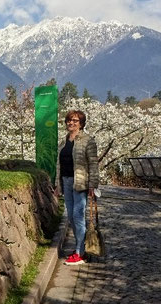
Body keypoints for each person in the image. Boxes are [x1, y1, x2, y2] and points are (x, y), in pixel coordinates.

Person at [56, 110, 99, 265]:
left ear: (81, 123)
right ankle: (79, 247)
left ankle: (80, 253)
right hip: (66, 181)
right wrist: (57, 184)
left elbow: (93, 164)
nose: (71, 123)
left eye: (75, 120)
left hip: (80, 183)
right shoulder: (63, 141)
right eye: (69, 120)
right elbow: (59, 165)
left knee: (77, 216)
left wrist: (93, 185)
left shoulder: (88, 141)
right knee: (71, 218)